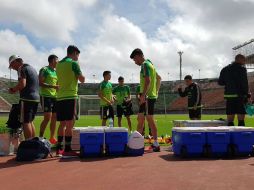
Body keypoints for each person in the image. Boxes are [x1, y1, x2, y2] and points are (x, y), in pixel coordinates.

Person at [56, 45, 85, 158]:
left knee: (62, 124)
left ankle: (59, 149)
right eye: (78, 55)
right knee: (70, 124)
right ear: (74, 53)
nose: (78, 57)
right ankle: (67, 149)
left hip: (60, 97)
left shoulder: (58, 65)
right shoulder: (73, 63)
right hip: (70, 96)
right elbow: (82, 80)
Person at [130, 48, 161, 152]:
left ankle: (155, 144)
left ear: (139, 56)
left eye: (135, 59)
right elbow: (159, 78)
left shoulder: (145, 65)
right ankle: (138, 143)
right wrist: (156, 92)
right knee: (140, 118)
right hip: (149, 96)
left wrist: (143, 95)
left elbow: (148, 81)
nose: (135, 62)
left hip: (147, 97)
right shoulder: (151, 64)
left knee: (150, 119)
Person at [8, 55, 40, 140]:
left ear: (15, 62)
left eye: (11, 65)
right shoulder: (31, 68)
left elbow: (22, 84)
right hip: (36, 98)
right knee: (30, 121)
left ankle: (28, 144)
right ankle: (33, 143)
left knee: (25, 122)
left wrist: (13, 89)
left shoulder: (21, 68)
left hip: (26, 98)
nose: (12, 68)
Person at [218, 54, 250, 126]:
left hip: (229, 96)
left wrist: (229, 82)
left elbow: (220, 82)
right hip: (239, 96)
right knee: (241, 118)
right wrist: (247, 94)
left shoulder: (225, 69)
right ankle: (240, 136)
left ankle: (231, 136)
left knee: (230, 119)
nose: (244, 62)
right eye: (244, 60)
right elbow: (244, 83)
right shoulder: (242, 69)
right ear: (239, 59)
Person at [39, 54, 59, 144]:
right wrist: (54, 86)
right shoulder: (44, 69)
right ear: (52, 60)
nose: (58, 62)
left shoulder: (56, 72)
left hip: (55, 97)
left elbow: (58, 85)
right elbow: (40, 83)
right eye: (57, 60)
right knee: (47, 117)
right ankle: (40, 137)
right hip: (45, 96)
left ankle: (52, 137)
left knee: (54, 118)